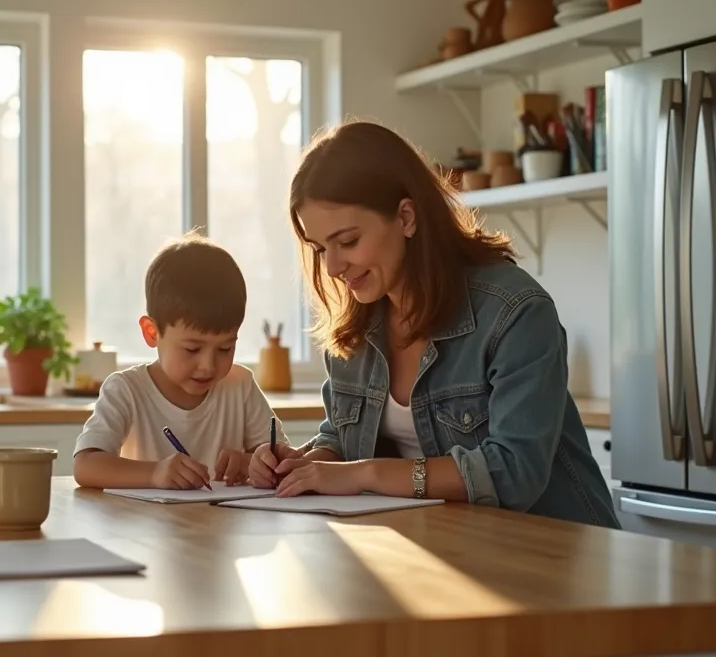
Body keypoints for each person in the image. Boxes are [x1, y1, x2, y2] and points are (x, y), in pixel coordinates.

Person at [249, 121, 619, 528]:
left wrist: (364, 473)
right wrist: (301, 465)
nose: (333, 267)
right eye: (320, 249)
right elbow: (340, 440)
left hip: (556, 559)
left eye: (349, 241)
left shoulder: (514, 312)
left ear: (406, 217)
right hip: (451, 551)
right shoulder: (356, 327)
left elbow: (514, 474)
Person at [73, 231, 289, 490]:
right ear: (152, 333)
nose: (208, 365)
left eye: (225, 348)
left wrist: (250, 463)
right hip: (144, 527)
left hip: (225, 527)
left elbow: (280, 460)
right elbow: (86, 466)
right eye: (192, 349)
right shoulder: (126, 390)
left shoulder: (240, 385)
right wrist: (155, 473)